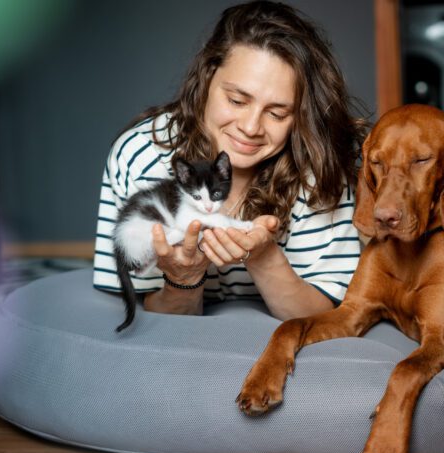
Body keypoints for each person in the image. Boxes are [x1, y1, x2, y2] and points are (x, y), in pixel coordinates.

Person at [93, 1, 367, 320]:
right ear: (208, 78)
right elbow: (153, 319)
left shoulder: (319, 167)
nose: (250, 128)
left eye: (277, 113)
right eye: (237, 100)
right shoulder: (144, 153)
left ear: (300, 117)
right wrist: (184, 279)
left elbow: (322, 313)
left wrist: (264, 258)